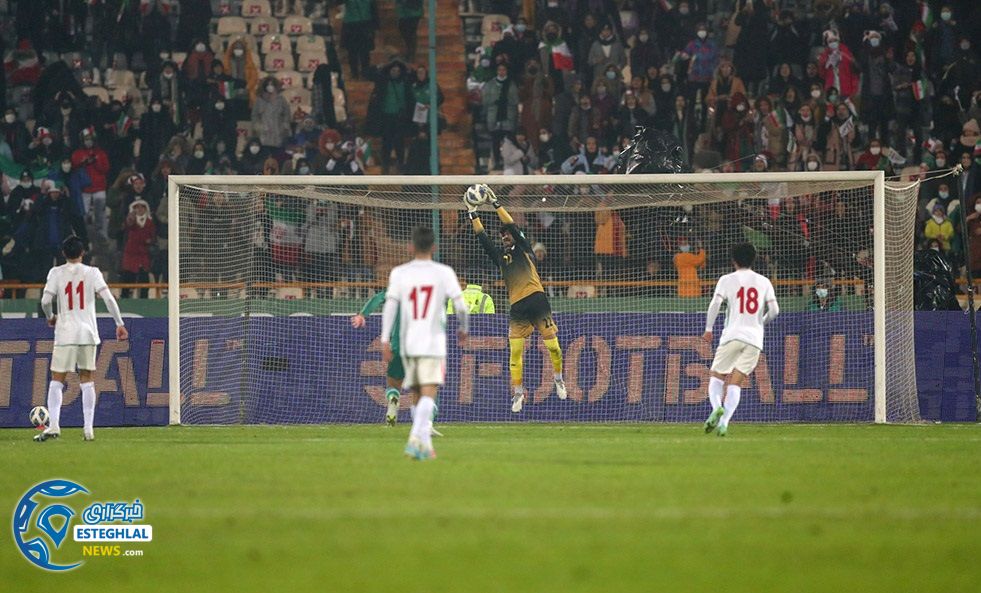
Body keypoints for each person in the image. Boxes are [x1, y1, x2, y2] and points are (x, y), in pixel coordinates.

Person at [466, 184, 565, 412]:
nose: (504, 237)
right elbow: (482, 238)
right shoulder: (500, 258)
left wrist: (495, 203)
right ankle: (518, 393)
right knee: (515, 354)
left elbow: (511, 223)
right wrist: (473, 213)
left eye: (507, 234)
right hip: (517, 306)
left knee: (554, 348)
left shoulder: (525, 248)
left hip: (537, 299)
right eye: (502, 235)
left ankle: (558, 379)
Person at [380, 226, 468, 460]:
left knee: (417, 392)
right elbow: (460, 305)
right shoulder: (444, 272)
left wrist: (385, 339)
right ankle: (414, 441)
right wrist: (463, 328)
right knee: (429, 391)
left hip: (408, 341)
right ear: (434, 247)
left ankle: (424, 446)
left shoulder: (399, 273)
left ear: (410, 246)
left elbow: (390, 306)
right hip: (432, 340)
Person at [35, 236, 128, 442]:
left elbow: (45, 300)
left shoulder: (56, 272)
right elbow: (109, 298)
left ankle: (55, 426)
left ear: (63, 253)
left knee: (57, 379)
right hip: (87, 332)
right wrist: (119, 323)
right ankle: (88, 429)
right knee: (87, 379)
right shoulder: (92, 272)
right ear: (83, 253)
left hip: (65, 333)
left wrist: (51, 317)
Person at [701, 243, 779, 437]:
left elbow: (716, 303)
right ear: (754, 259)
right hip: (754, 339)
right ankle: (724, 423)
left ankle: (717, 407)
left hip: (732, 335)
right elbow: (775, 311)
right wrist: (760, 323)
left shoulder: (726, 280)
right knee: (736, 383)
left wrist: (708, 329)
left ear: (733, 260)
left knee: (716, 376)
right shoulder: (764, 281)